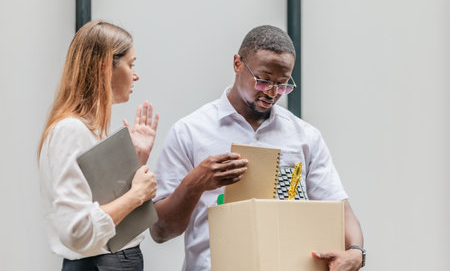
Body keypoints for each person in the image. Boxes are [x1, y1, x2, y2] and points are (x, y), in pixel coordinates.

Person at [150, 25, 365, 271]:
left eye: (282, 84)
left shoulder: (305, 137)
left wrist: (357, 252)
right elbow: (160, 231)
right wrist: (196, 182)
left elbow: (341, 211)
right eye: (263, 80)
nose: (272, 92)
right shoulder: (189, 132)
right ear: (237, 64)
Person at [37, 20, 159, 271]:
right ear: (105, 66)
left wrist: (135, 161)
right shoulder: (70, 130)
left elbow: (102, 208)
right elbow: (78, 229)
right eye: (131, 64)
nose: (135, 75)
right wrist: (137, 194)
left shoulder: (89, 129)